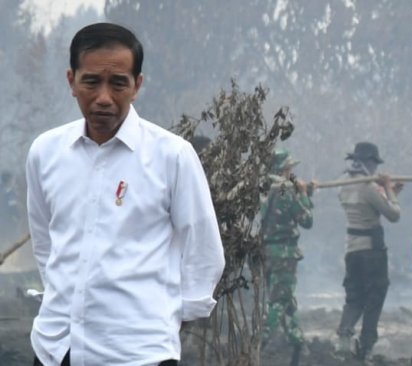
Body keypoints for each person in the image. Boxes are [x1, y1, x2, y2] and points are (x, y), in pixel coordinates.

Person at [25, 23, 225, 366]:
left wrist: (159, 322)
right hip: (56, 350)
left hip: (138, 355)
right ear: (71, 81)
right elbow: (46, 245)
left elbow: (204, 253)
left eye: (118, 83)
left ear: (137, 86)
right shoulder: (46, 152)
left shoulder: (171, 156)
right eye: (91, 81)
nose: (104, 98)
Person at [335, 141, 402, 361]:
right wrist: (389, 190)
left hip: (352, 251)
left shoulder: (343, 186)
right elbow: (393, 214)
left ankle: (343, 336)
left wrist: (388, 192)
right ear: (370, 163)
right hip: (372, 253)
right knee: (375, 297)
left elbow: (373, 204)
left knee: (354, 297)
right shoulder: (368, 189)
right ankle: (366, 344)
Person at [260, 147, 313, 363]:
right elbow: (307, 220)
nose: (292, 172)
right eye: (289, 168)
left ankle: (298, 346)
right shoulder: (284, 189)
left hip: (267, 252)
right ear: (283, 169)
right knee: (278, 302)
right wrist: (304, 195)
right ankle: (257, 343)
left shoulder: (265, 188)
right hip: (284, 254)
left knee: (286, 301)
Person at [1, 170, 20, 242]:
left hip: (2, 224)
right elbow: (14, 209)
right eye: (12, 179)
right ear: (8, 180)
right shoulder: (11, 193)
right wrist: (18, 218)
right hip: (10, 223)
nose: (13, 181)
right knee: (14, 242)